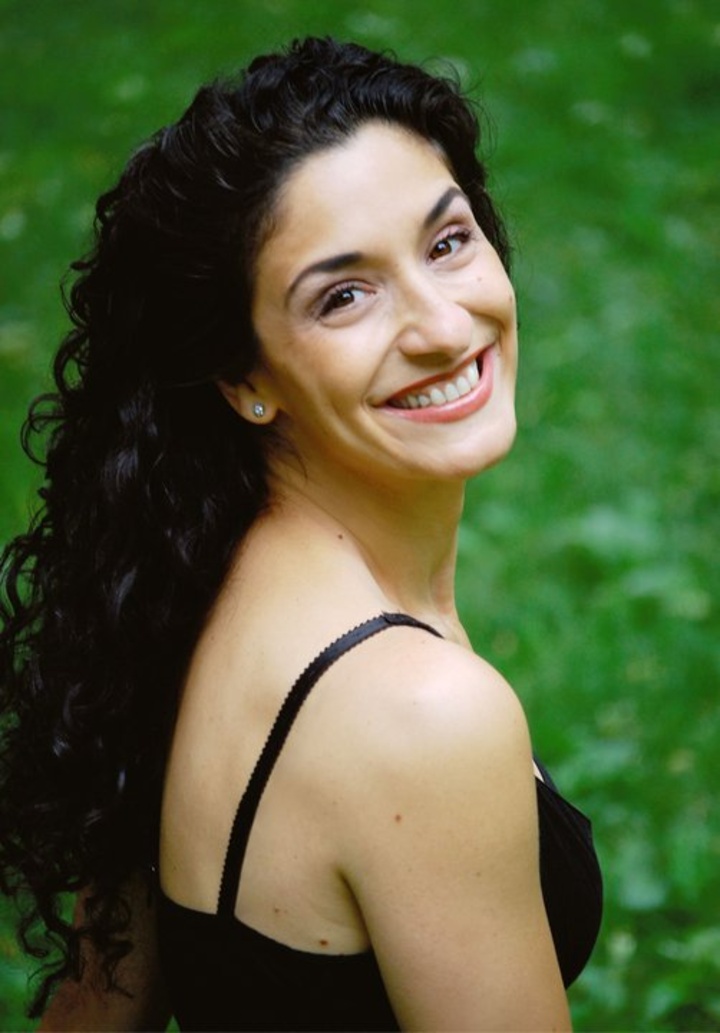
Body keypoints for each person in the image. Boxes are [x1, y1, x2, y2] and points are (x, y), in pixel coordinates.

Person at [0, 36, 602, 1031]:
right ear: (244, 377)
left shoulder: (181, 581)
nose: (444, 328)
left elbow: (94, 1009)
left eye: (447, 242)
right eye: (343, 295)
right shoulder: (419, 718)